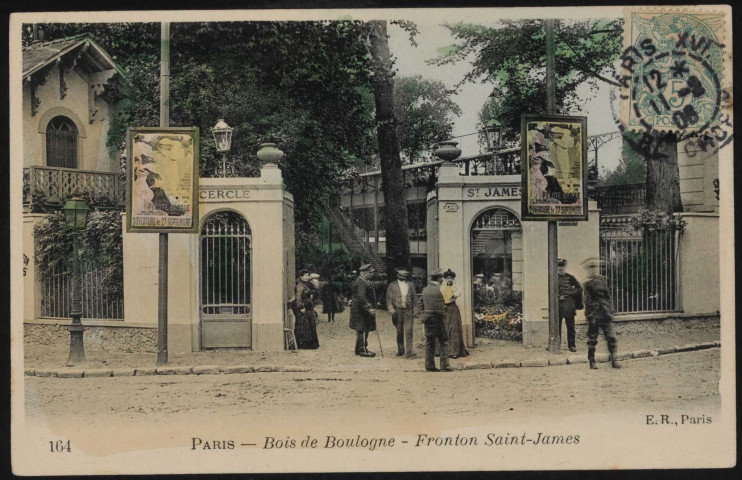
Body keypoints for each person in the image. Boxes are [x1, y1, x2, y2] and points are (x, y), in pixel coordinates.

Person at [582, 257, 621, 369]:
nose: (593, 270)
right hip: (594, 315)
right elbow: (587, 300)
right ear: (587, 270)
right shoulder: (586, 284)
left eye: (595, 268)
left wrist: (610, 309)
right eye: (591, 268)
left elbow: (608, 296)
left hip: (605, 314)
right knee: (592, 339)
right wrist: (593, 312)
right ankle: (592, 360)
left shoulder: (602, 281)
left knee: (611, 337)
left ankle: (614, 360)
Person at [417, 268, 451, 372]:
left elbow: (420, 304)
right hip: (438, 319)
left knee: (429, 342)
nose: (442, 279)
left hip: (428, 319)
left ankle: (429, 365)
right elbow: (440, 307)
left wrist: (423, 317)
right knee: (444, 341)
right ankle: (444, 365)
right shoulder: (439, 290)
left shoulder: (425, 289)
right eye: (441, 277)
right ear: (439, 279)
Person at [386, 268, 416, 358]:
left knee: (409, 331)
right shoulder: (392, 285)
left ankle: (409, 351)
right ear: (398, 276)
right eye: (402, 276)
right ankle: (400, 350)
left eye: (405, 276)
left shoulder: (410, 285)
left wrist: (416, 310)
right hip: (397, 311)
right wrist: (391, 309)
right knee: (399, 331)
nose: (403, 277)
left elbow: (414, 298)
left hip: (408, 310)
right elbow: (388, 298)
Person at [440, 269, 469, 359]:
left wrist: (453, 289)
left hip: (453, 308)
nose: (449, 280)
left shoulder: (455, 287)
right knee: (445, 329)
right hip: (444, 309)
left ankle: (455, 351)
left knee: (454, 330)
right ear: (445, 279)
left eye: (451, 278)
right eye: (448, 278)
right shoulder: (442, 288)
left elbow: (457, 294)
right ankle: (445, 351)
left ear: (453, 279)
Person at [349, 264, 377, 357]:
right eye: (370, 272)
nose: (372, 274)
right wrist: (369, 308)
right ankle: (362, 349)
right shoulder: (361, 282)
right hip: (361, 311)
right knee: (362, 329)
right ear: (364, 273)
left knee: (363, 329)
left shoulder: (364, 280)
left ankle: (360, 349)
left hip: (361, 310)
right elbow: (362, 297)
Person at [558, 259, 583, 352]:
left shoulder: (570, 277)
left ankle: (572, 345)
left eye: (562, 266)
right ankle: (556, 345)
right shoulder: (553, 277)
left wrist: (571, 294)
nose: (560, 269)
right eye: (559, 267)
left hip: (568, 305)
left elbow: (579, 288)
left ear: (565, 267)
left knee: (570, 327)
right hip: (558, 305)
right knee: (556, 327)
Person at [292, 269, 319, 349]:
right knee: (304, 325)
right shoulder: (300, 285)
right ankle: (304, 344)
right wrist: (301, 307)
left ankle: (310, 343)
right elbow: (298, 297)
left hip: (308, 307)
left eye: (308, 275)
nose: (307, 277)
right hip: (304, 307)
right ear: (301, 277)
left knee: (309, 325)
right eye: (305, 275)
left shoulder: (305, 285)